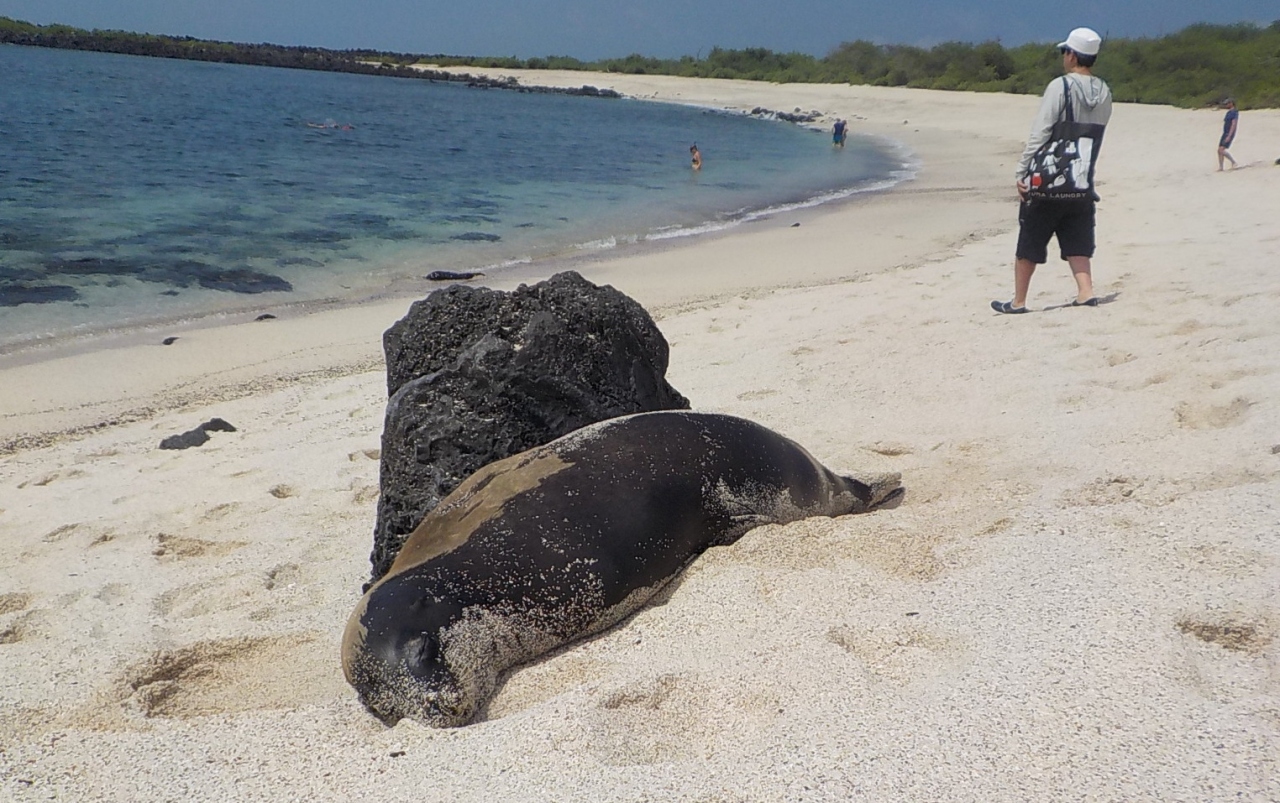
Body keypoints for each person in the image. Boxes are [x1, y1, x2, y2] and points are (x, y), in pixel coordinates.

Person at [991, 27, 1113, 314]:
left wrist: (1022, 171)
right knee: (1079, 237)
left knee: (1031, 237)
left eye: (1065, 52)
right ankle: (1086, 291)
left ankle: (1019, 301)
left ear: (1072, 55)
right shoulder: (1105, 91)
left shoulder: (1061, 86)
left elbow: (1041, 132)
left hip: (1049, 178)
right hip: (1081, 179)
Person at [1218, 98, 1238, 171]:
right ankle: (1221, 167)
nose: (1226, 105)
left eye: (1227, 104)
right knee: (1219, 150)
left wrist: (1229, 135)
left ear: (1231, 103)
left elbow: (1234, 124)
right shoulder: (1228, 112)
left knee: (1222, 150)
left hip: (1229, 133)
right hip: (1225, 132)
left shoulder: (1234, 112)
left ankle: (1233, 162)